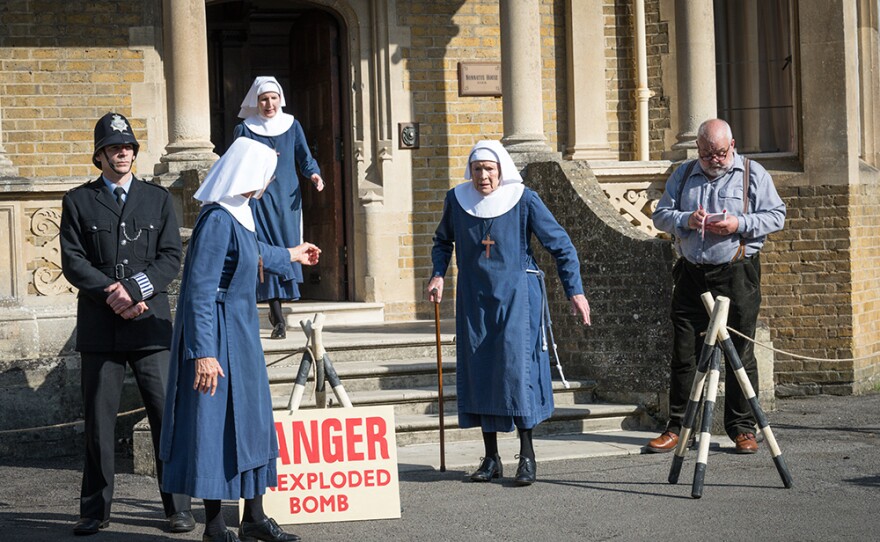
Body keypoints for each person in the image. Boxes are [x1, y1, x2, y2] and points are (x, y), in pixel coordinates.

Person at [158, 137, 320, 542]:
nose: (269, 181)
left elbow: (252, 252)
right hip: (217, 333)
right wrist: (203, 354)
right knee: (216, 426)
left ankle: (254, 518)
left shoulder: (239, 213)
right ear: (252, 174)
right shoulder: (217, 219)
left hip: (242, 333)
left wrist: (292, 254)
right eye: (267, 172)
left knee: (251, 423)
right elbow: (198, 289)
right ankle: (214, 526)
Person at [427, 140, 591, 486]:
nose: (483, 176)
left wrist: (574, 290)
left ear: (501, 170)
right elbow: (443, 241)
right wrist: (438, 274)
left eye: (489, 169)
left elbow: (561, 245)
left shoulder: (524, 199)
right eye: (477, 169)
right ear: (470, 171)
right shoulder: (457, 201)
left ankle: (527, 456)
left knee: (517, 371)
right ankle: (491, 458)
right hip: (474, 298)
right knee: (481, 371)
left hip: (518, 296)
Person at [60, 112, 194, 535]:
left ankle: (177, 507)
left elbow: (170, 256)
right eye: (114, 147)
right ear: (99, 155)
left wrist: (133, 291)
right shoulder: (78, 200)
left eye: (129, 146)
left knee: (163, 418)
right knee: (99, 424)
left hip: (151, 326)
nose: (123, 152)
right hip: (101, 328)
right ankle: (94, 510)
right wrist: (110, 294)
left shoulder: (157, 200)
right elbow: (73, 260)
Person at [649, 118, 786, 454]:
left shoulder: (753, 173)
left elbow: (777, 216)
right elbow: (660, 215)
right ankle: (679, 427)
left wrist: (738, 223)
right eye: (707, 154)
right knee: (684, 352)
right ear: (698, 149)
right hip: (692, 273)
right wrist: (685, 219)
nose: (714, 160)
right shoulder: (683, 174)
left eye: (721, 153)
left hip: (737, 272)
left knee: (740, 352)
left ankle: (742, 429)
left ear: (733, 145)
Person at [233, 76, 325, 340]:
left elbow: (305, 158)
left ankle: (278, 311)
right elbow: (237, 163)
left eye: (273, 98)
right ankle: (278, 318)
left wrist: (314, 175)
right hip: (259, 199)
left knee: (287, 249)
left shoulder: (291, 125)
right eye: (263, 99)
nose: (269, 104)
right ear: (256, 101)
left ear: (280, 99)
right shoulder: (245, 129)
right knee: (266, 250)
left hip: (287, 199)